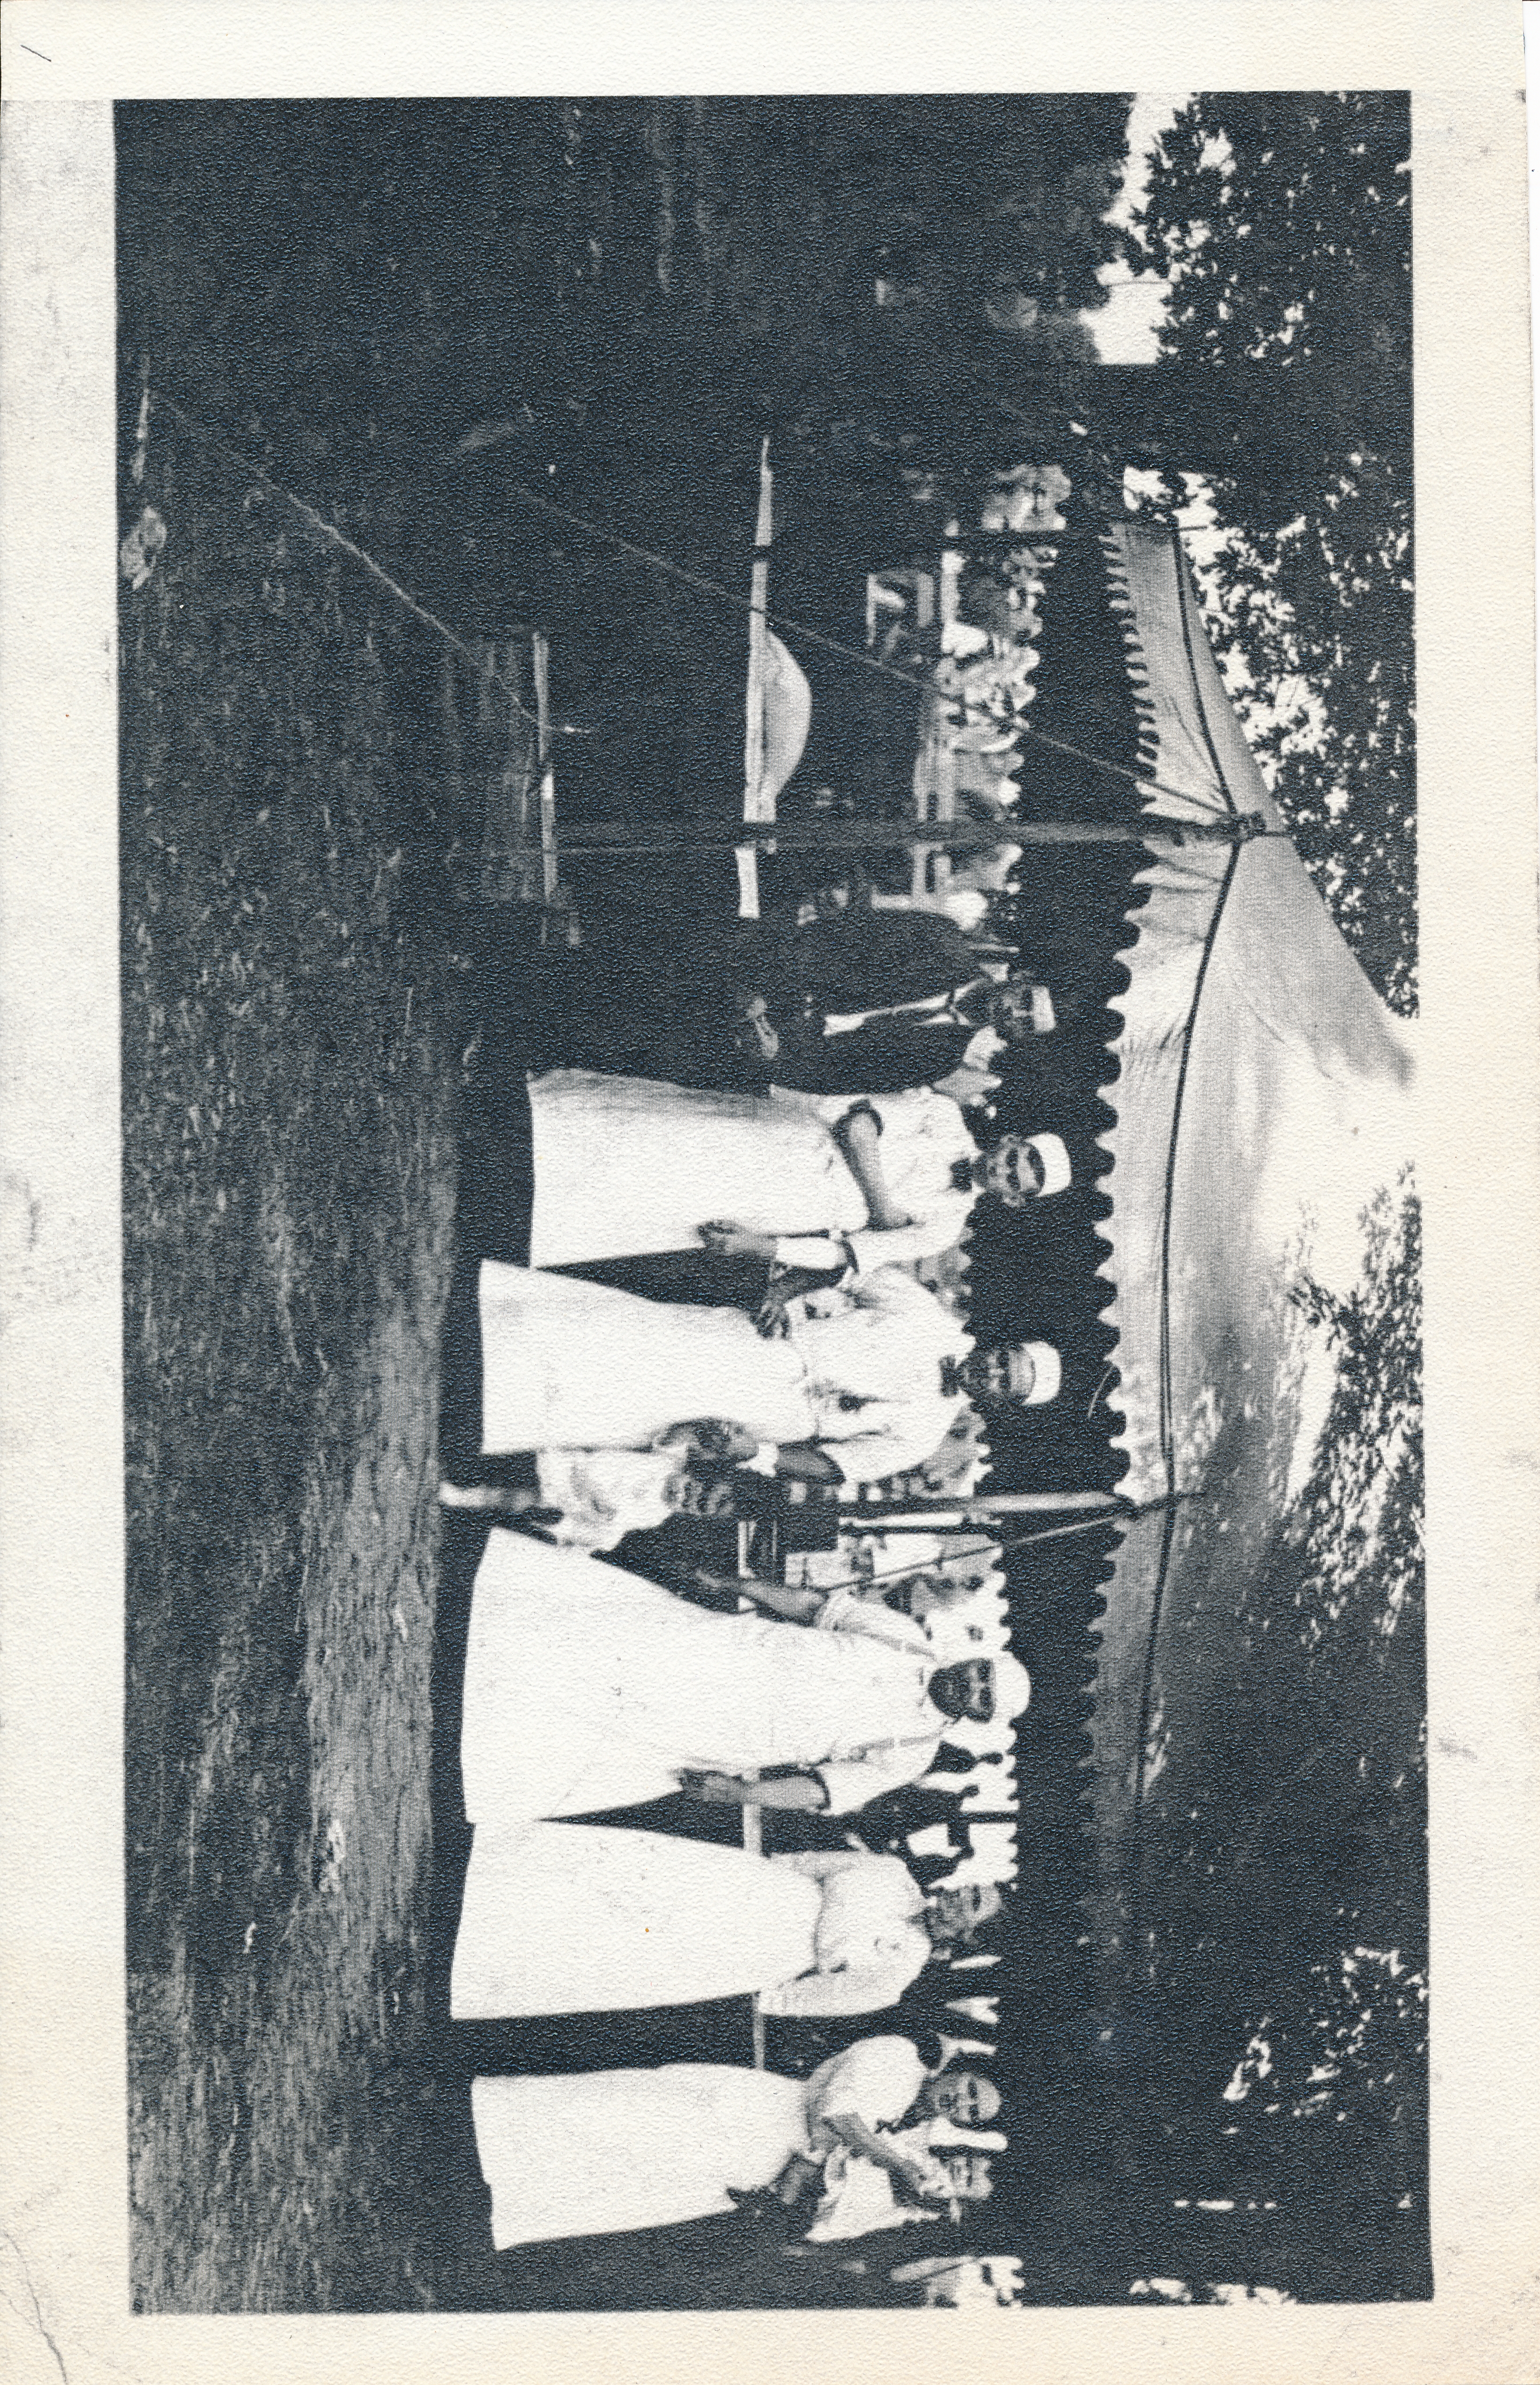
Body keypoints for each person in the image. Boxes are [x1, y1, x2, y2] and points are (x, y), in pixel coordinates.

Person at [457, 1527, 1033, 1824]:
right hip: (730, 1650)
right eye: (981, 1674)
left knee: (602, 1725)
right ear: (973, 1660)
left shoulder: (914, 1752)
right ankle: (473, 1631)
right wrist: (735, 1586)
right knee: (607, 1640)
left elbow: (824, 1789)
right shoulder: (906, 1636)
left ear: (974, 1716)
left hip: (737, 1727)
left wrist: (739, 1792)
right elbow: (814, 1609)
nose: (971, 1686)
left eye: (981, 1698)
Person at [472, 1254, 1061, 1485]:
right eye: (1004, 1362)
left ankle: (490, 1409)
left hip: (775, 1413)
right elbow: (847, 1270)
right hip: (764, 1343)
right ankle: (490, 1327)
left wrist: (755, 1451)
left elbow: (835, 1465)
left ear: (1000, 1403)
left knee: (634, 1409)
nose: (993, 1374)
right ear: (999, 1347)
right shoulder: (925, 1315)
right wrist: (782, 1292)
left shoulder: (923, 1434)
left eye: (1005, 1384)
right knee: (634, 1334)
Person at [464, 2034, 978, 2251]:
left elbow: (842, 2173)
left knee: (638, 2184)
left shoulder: (914, 2135)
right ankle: (480, 2123)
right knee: (616, 2113)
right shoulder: (898, 2058)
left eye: (973, 2112)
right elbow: (836, 2112)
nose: (963, 2103)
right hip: (754, 2112)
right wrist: (886, 2161)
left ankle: (485, 2193)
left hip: (757, 2166)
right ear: (958, 2071)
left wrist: (851, 2169)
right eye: (970, 2090)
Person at [450, 1823, 1000, 2020]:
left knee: (611, 1947)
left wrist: (734, 1974)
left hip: (746, 1953)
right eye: (970, 1887)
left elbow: (793, 2001)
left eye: (971, 1904)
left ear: (968, 1936)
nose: (959, 1894)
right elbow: (804, 1863)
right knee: (614, 1879)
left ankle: (478, 1954)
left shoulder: (897, 1973)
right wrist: (750, 1878)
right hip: (740, 1886)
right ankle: (483, 1879)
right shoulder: (890, 1870)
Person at [523, 1075, 1066, 1274]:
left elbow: (846, 1255)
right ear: (1009, 1142)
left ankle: (511, 1206)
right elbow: (857, 1126)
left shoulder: (944, 1226)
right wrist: (881, 1209)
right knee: (655, 1139)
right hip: (783, 1141)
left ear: (1013, 1200)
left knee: (659, 1202)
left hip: (787, 1207)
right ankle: (516, 1138)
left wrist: (764, 1247)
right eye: (1014, 1158)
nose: (1004, 1170)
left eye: (1015, 1181)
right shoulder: (942, 1116)